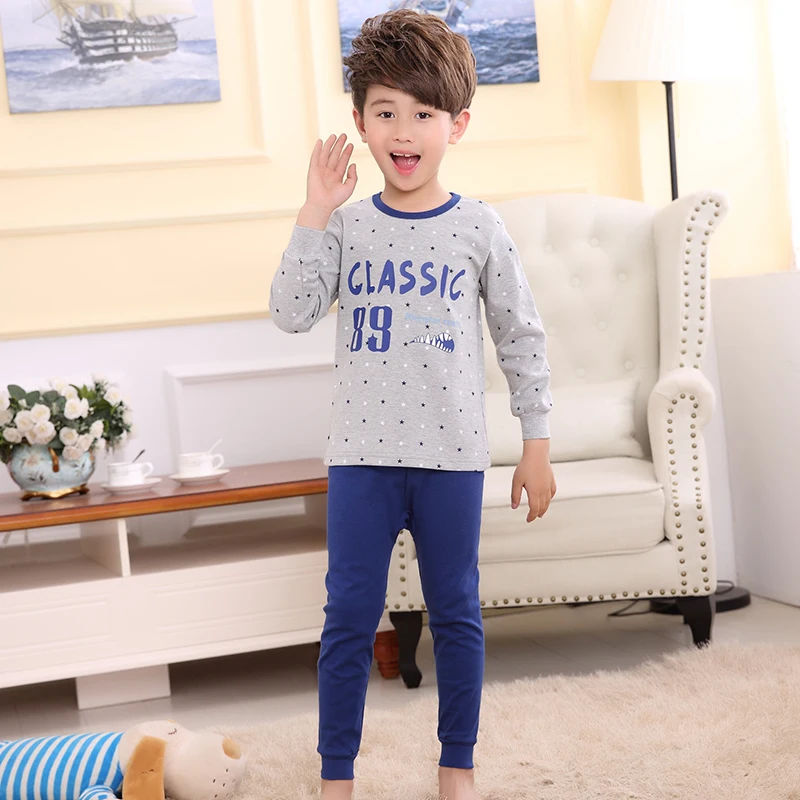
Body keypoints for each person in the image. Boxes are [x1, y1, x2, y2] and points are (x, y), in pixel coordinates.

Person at [269, 10, 556, 799]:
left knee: (456, 612)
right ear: (360, 121)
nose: (404, 132)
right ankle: (336, 777)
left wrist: (536, 443)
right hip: (361, 456)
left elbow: (521, 337)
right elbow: (291, 312)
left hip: (451, 455)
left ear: (456, 124)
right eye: (386, 112)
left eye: (423, 114)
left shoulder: (480, 226)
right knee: (347, 619)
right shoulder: (347, 228)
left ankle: (457, 767)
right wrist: (314, 211)